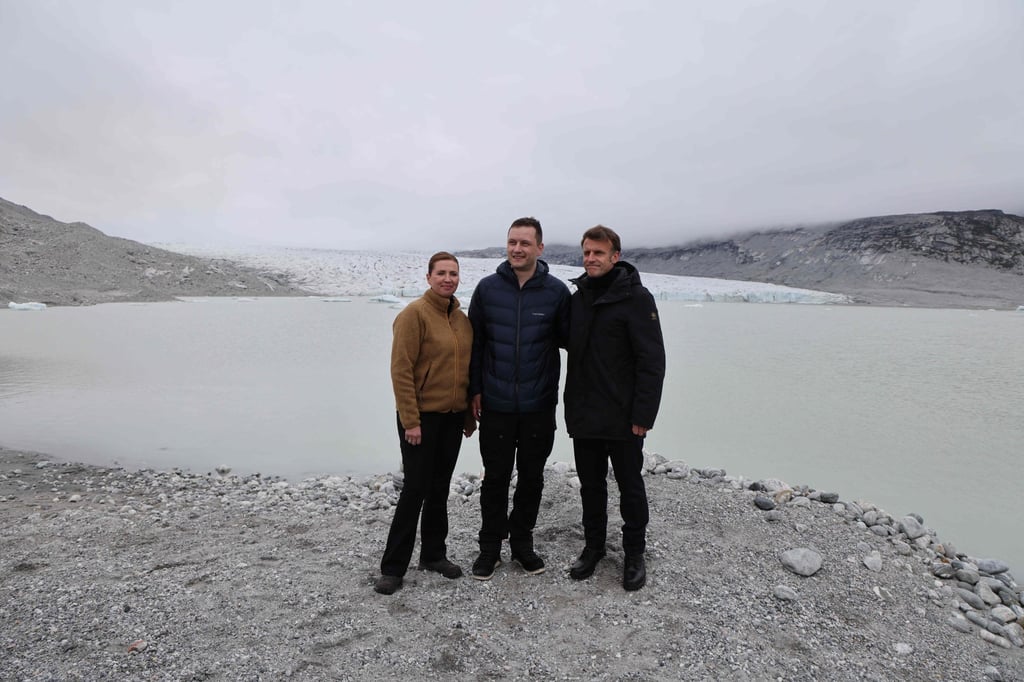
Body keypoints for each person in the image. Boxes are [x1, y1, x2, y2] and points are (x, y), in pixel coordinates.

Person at [563, 225, 666, 591]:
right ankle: (593, 548)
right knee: (591, 487)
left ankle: (634, 554)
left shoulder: (637, 299)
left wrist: (643, 415)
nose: (591, 259)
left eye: (599, 253)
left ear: (615, 257)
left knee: (630, 487)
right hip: (585, 413)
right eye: (587, 252)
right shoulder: (578, 299)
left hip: (624, 418)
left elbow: (652, 361)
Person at [468, 216, 570, 580]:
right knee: (495, 478)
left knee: (531, 478)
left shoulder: (557, 293)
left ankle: (522, 544)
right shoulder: (487, 289)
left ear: (540, 248)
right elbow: (474, 344)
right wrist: (474, 391)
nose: (517, 248)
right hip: (495, 403)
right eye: (512, 242)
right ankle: (490, 548)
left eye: (525, 243)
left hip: (538, 405)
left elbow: (575, 341)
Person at [374, 252, 476, 595]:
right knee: (414, 490)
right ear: (429, 277)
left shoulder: (461, 320)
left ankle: (434, 555)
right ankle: (392, 568)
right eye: (442, 273)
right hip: (421, 419)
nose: (448, 279)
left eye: (453, 273)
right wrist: (410, 421)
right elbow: (401, 371)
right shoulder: (413, 315)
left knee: (439, 489)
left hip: (450, 419)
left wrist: (466, 414)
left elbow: (464, 371)